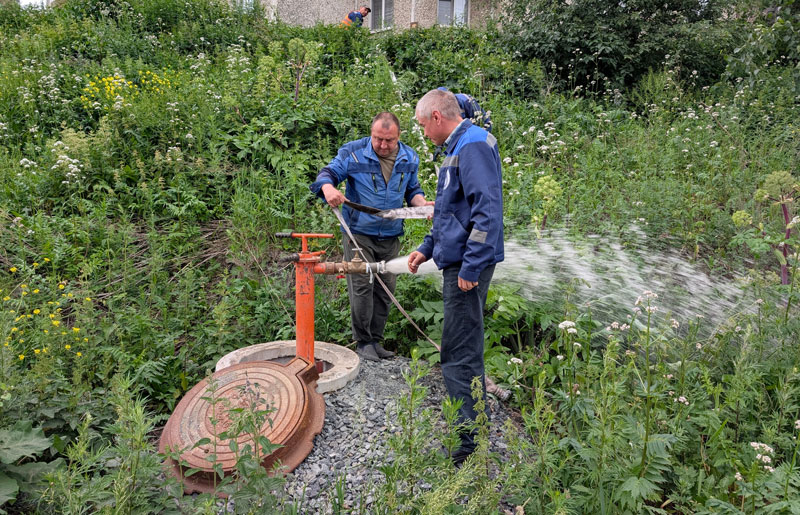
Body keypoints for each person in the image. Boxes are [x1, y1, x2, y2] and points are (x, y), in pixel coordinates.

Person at [408, 89, 504, 465]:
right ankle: (472, 430)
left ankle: (469, 445)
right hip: (460, 261)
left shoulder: (472, 145)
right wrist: (428, 247)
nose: (423, 133)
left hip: (467, 268)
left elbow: (487, 211)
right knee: (461, 349)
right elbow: (451, 212)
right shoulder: (458, 146)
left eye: (421, 125)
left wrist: (471, 266)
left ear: (436, 116)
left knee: (459, 354)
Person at [311, 112, 429, 362]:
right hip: (358, 234)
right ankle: (363, 342)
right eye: (378, 139)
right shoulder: (353, 153)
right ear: (371, 133)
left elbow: (413, 190)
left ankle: (376, 340)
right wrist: (328, 187)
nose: (383, 145)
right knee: (362, 286)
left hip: (391, 234)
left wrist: (421, 204)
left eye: (389, 140)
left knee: (387, 289)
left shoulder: (409, 157)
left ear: (399, 137)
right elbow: (328, 174)